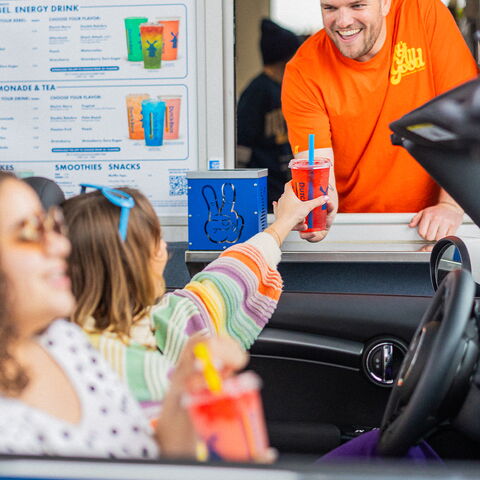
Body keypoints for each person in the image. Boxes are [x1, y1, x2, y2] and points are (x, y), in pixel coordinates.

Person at [0, 171, 250, 459]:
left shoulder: (64, 341)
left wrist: (184, 384)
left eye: (51, 226)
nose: (61, 245)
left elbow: (151, 454)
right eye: (29, 232)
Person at [62, 183, 327, 419]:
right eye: (158, 239)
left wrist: (283, 223)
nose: (163, 248)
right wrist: (283, 222)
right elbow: (225, 282)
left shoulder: (52, 350)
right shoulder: (156, 357)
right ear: (147, 260)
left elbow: (223, 280)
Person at [282, 0, 479, 242]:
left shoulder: (422, 11)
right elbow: (319, 169)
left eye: (357, 6)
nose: (342, 21)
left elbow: (466, 114)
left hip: (435, 227)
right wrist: (319, 208)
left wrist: (450, 206)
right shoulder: (303, 71)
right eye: (329, 8)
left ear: (386, 3)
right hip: (354, 229)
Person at [237, 19, 300, 211]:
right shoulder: (257, 90)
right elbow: (242, 145)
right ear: (284, 59)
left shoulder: (286, 88)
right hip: (265, 190)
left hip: (284, 183)